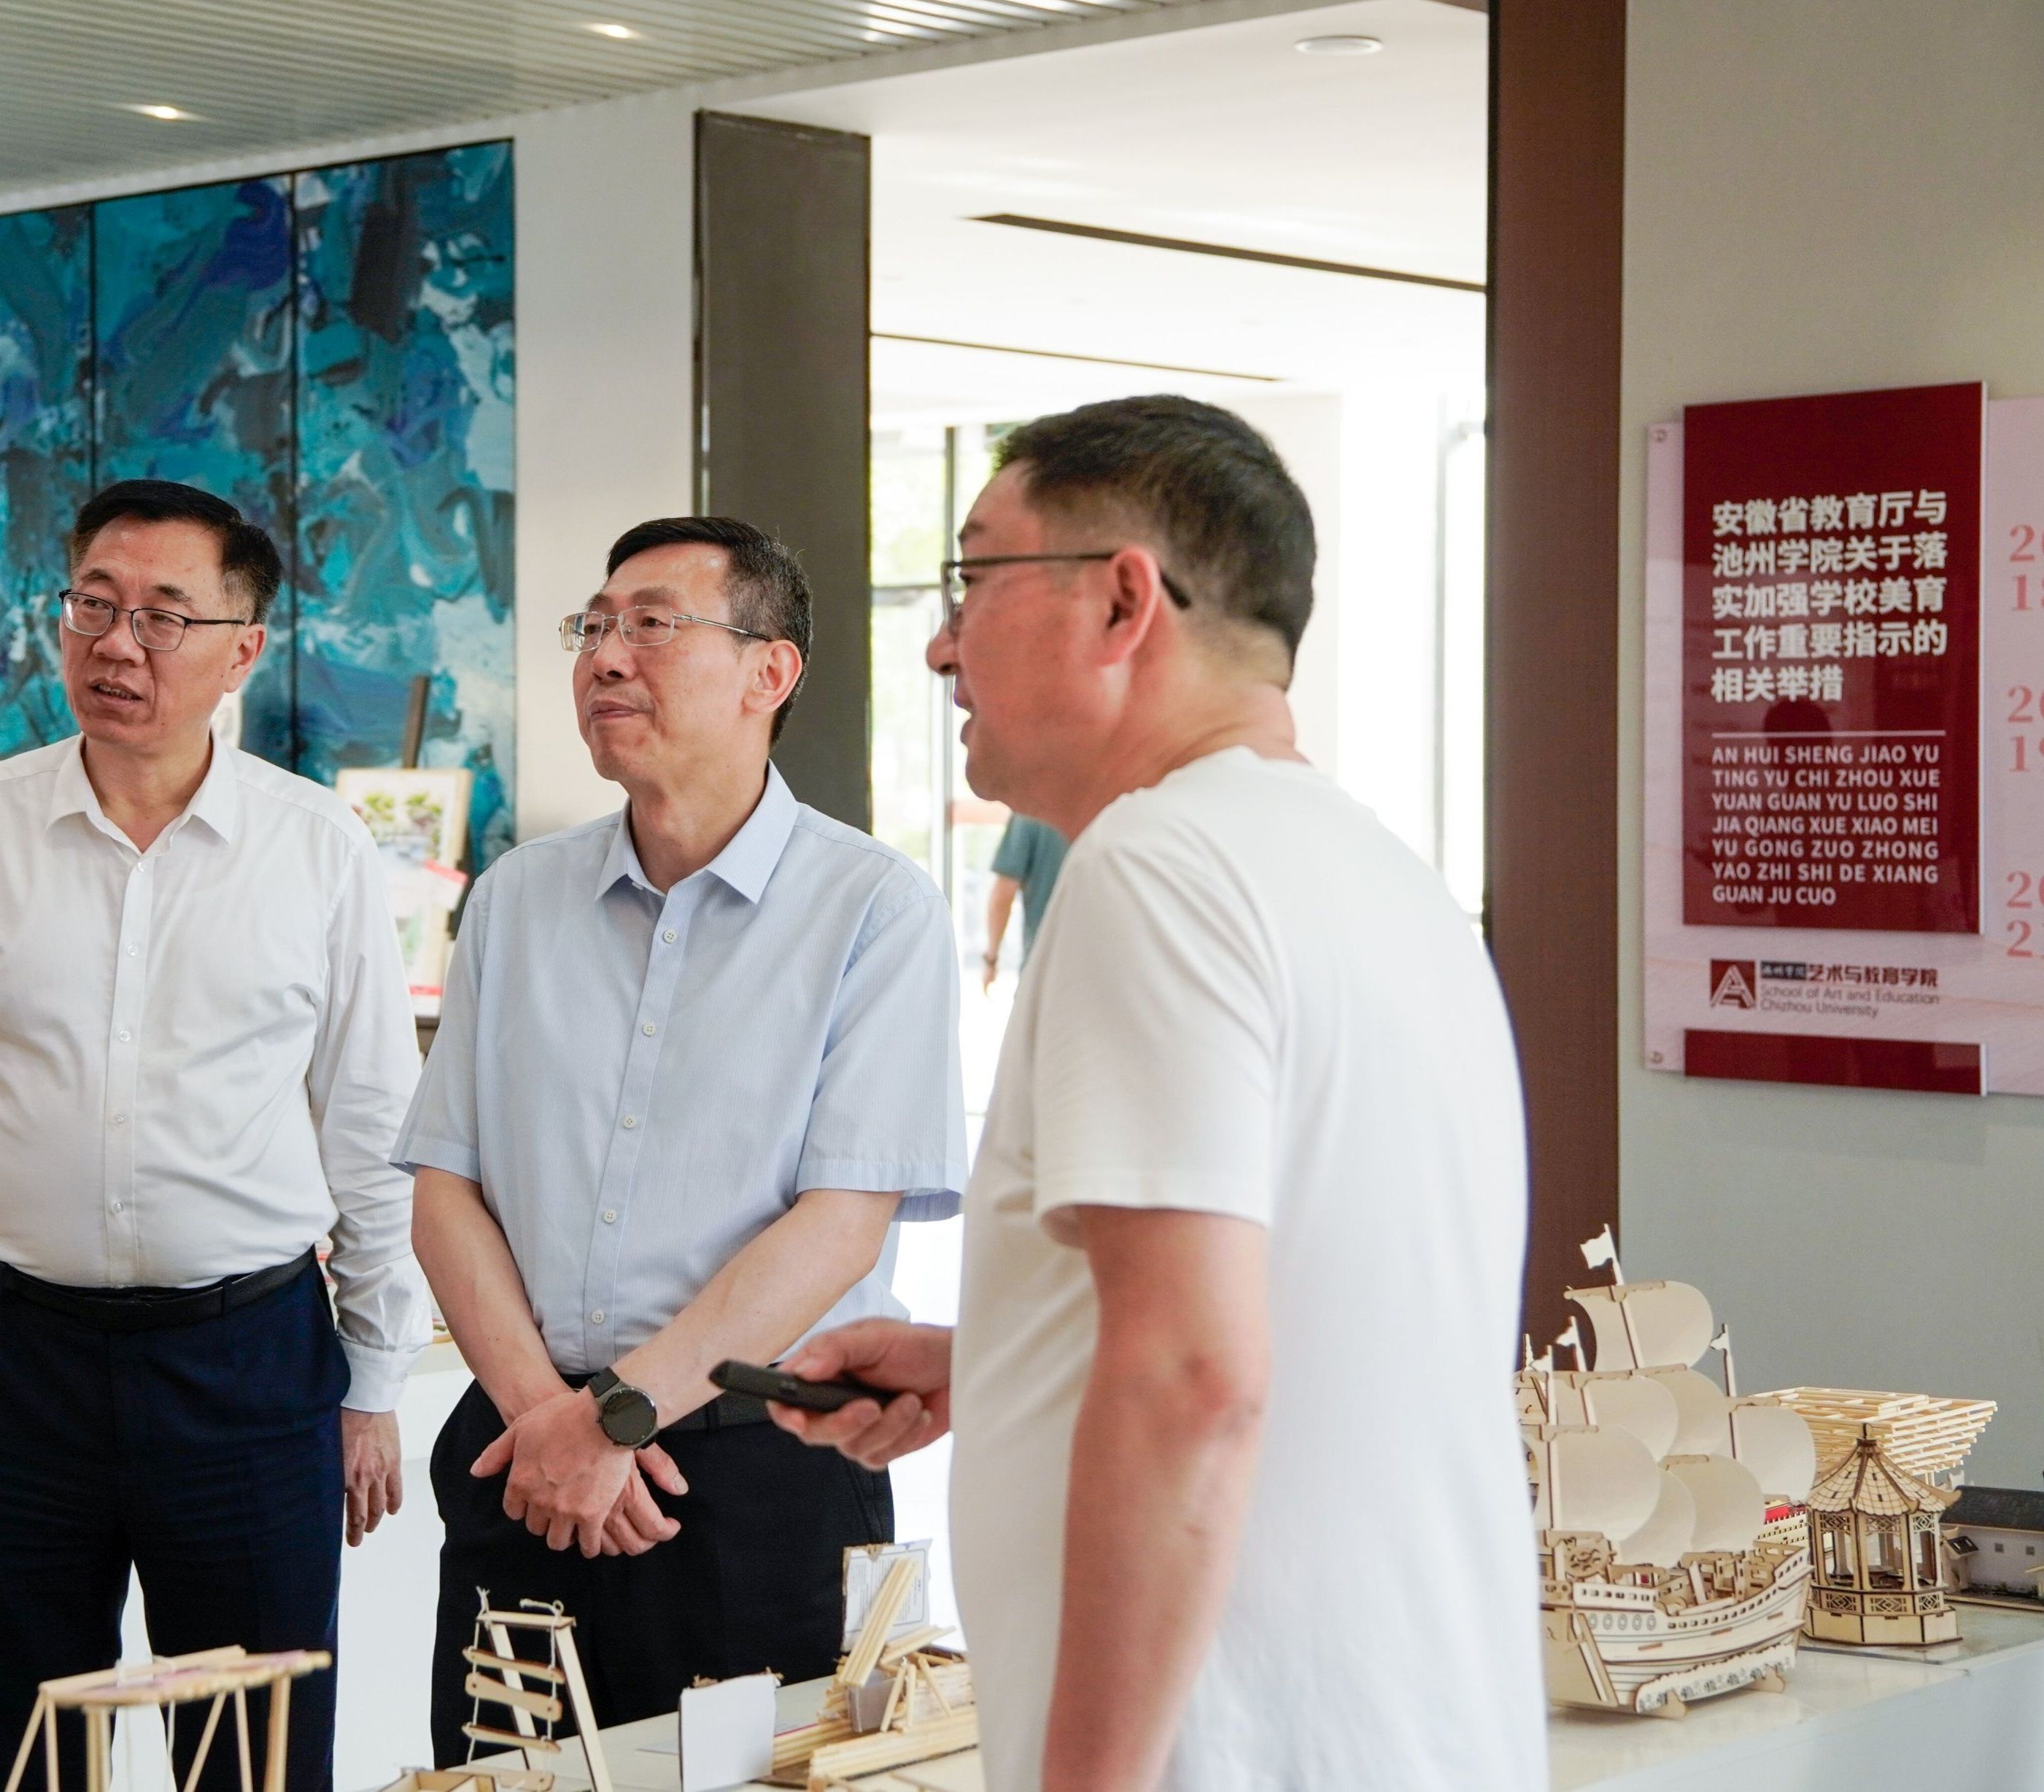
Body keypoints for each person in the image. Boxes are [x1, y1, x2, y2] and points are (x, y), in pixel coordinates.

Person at [773, 397, 1544, 1792]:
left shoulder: (1155, 869)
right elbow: (1314, 1317)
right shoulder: (1382, 879)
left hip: (1231, 1751)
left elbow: (1193, 1380)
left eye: (972, 577)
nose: (940, 644)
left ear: (1122, 601)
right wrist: (995, 1360)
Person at [0, 478, 430, 1792]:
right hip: (7, 1362)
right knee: (23, 1753)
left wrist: (376, 1382)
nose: (117, 644)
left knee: (252, 1760)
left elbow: (375, 1127)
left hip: (248, 1364)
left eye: (164, 616)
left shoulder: (317, 845)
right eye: (92, 605)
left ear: (241, 648)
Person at [395, 515, 967, 1753]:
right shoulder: (515, 899)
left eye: (651, 625)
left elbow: (840, 1220)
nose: (606, 656)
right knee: (502, 1778)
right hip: (521, 1461)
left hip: (759, 1471)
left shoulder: (874, 910)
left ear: (770, 671)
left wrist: (615, 1418)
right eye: (593, 627)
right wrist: (546, 1418)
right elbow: (444, 1185)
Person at [982, 815, 1069, 989]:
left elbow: (1003, 895)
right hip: (1105, 968)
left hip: (1044, 970)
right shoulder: (1114, 805)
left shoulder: (1029, 813)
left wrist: (992, 959)